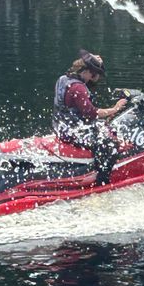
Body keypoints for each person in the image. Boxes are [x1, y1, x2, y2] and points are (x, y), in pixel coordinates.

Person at [53, 49, 127, 185]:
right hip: (72, 132)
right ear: (87, 71)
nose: (96, 77)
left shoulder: (64, 79)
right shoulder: (78, 88)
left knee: (106, 128)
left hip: (60, 126)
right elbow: (91, 113)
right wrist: (115, 109)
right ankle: (101, 180)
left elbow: (88, 89)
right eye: (95, 74)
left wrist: (97, 64)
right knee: (110, 144)